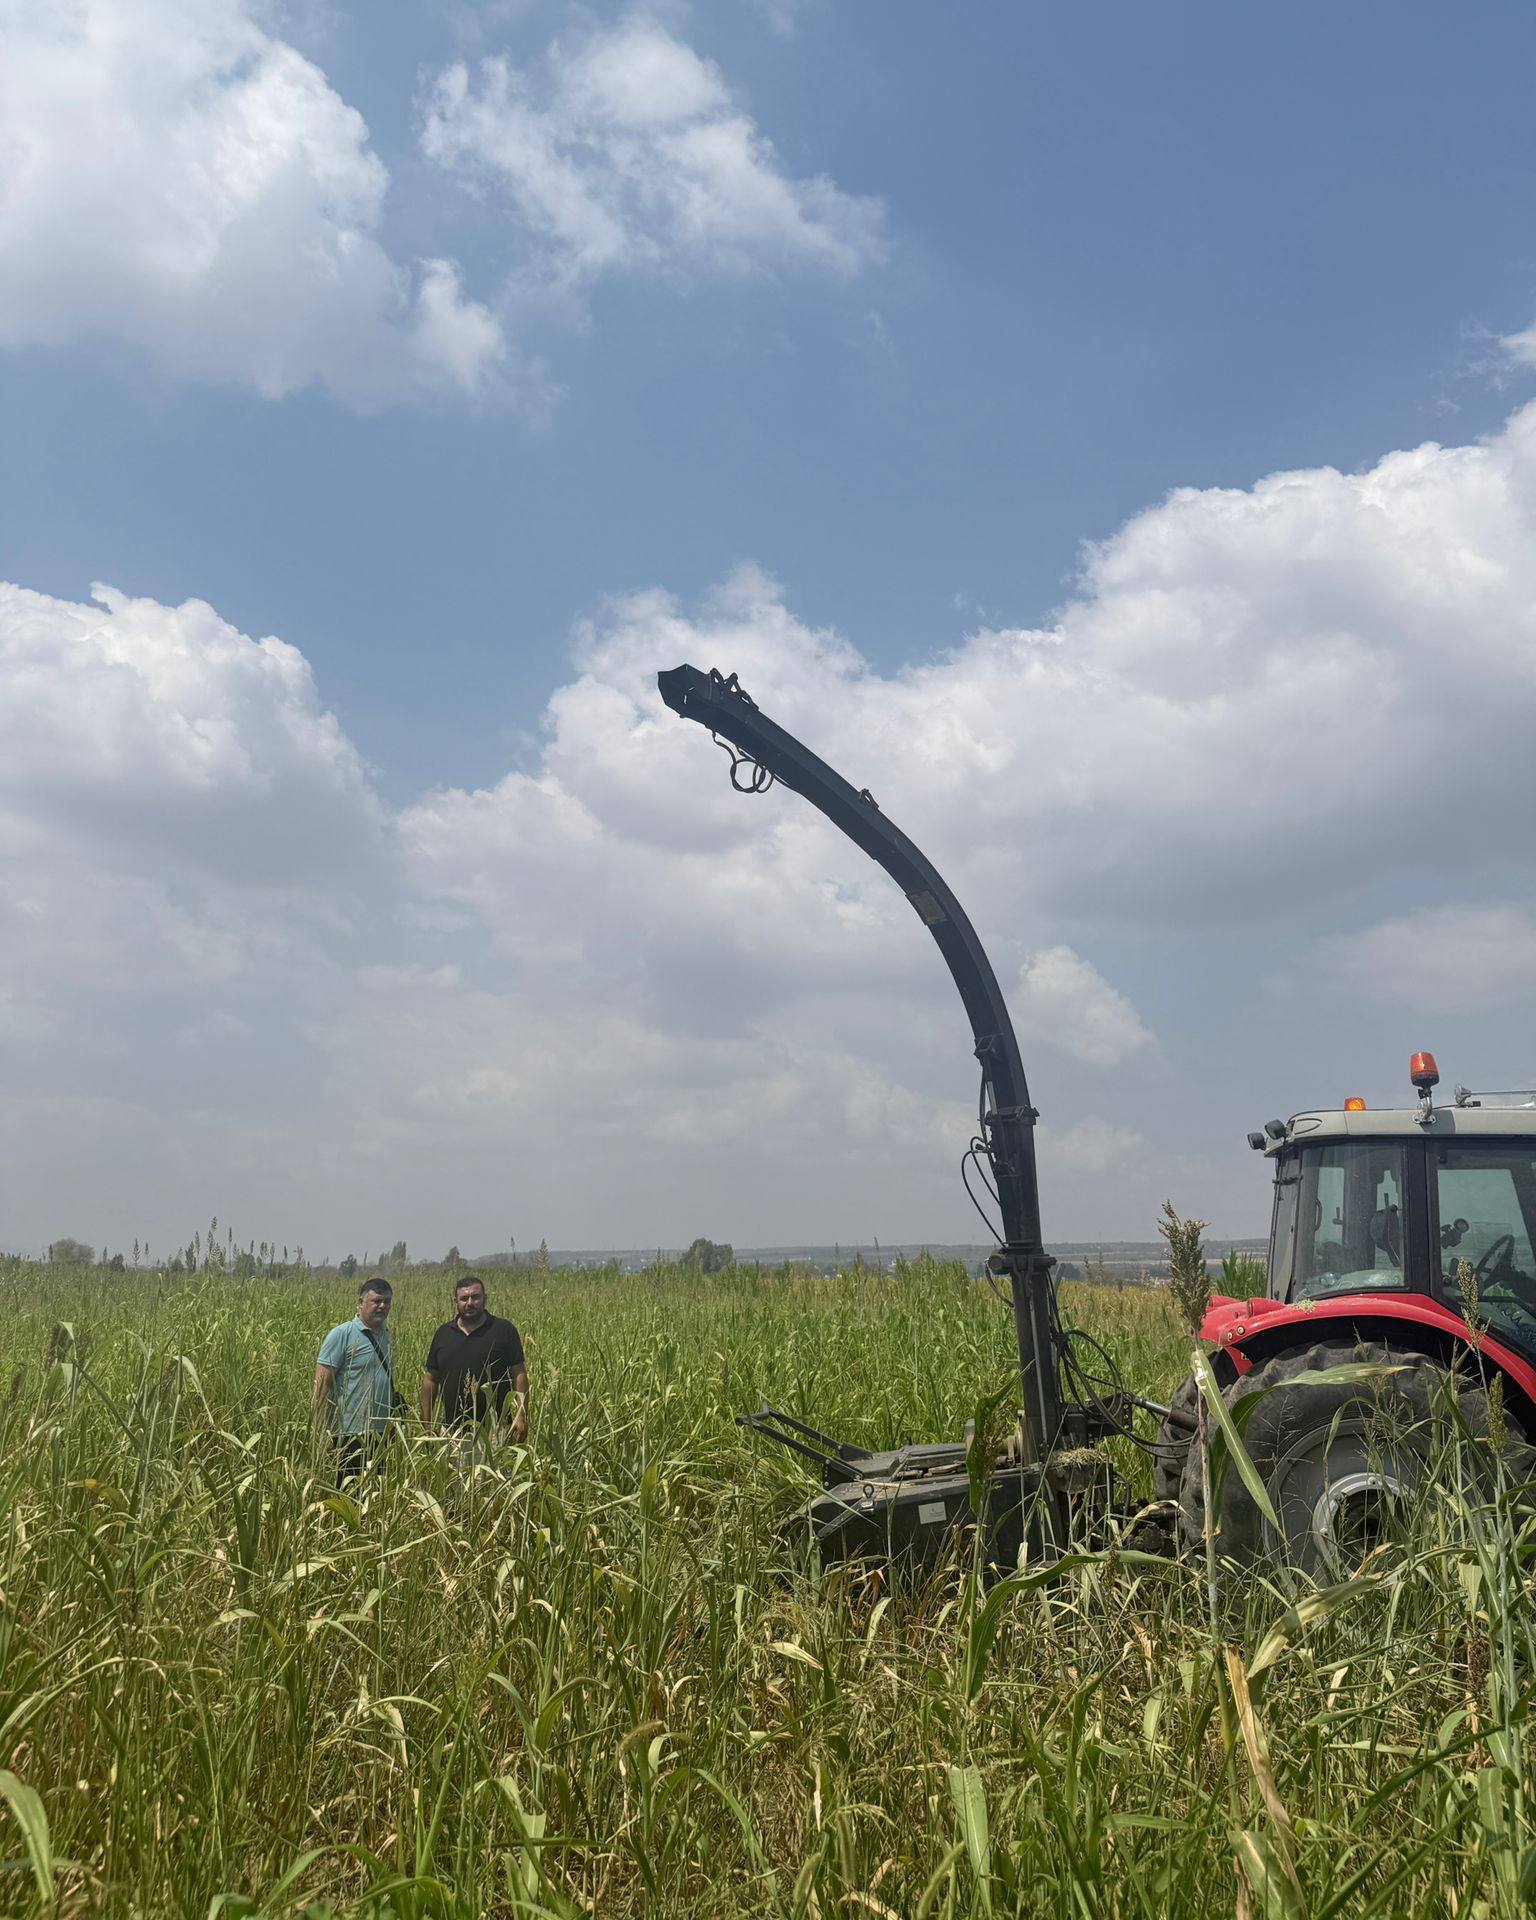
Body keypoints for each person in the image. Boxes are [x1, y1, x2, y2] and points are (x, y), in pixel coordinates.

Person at [419, 1274, 528, 1465]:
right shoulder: (443, 1334)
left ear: (485, 1299)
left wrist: (521, 1415)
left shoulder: (503, 1330)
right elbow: (430, 1379)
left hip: (495, 1429)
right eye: (464, 1298)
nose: (470, 1303)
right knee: (456, 1491)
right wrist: (426, 1422)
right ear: (455, 1302)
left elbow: (518, 1373)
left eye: (475, 1297)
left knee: (494, 1488)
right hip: (454, 1432)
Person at [313, 1276, 399, 1480]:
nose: (382, 1306)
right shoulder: (341, 1334)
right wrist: (320, 1433)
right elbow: (320, 1387)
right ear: (360, 1303)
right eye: (376, 1300)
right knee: (349, 1495)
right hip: (348, 1434)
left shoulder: (389, 1335)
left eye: (386, 1301)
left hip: (381, 1433)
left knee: (377, 1495)